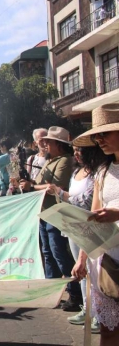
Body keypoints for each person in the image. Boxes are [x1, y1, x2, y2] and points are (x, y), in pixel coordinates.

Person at [72, 103, 119, 344]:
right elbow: (92, 219)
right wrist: (82, 258)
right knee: (109, 330)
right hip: (106, 261)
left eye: (105, 133)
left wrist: (117, 214)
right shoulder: (103, 172)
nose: (99, 139)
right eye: (96, 135)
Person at [20, 126, 81, 312]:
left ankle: (75, 293)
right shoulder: (50, 161)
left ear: (59, 145)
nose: (45, 144)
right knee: (47, 252)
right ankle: (50, 290)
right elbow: (40, 183)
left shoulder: (64, 161)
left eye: (49, 141)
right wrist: (28, 184)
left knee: (59, 253)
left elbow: (56, 185)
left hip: (56, 212)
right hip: (44, 212)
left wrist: (32, 187)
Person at [48, 145, 107, 332]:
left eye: (79, 150)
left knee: (95, 271)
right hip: (74, 225)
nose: (76, 153)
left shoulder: (97, 173)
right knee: (80, 270)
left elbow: (88, 201)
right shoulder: (77, 171)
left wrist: (61, 194)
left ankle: (99, 313)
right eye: (74, 149)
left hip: (92, 226)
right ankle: (87, 308)